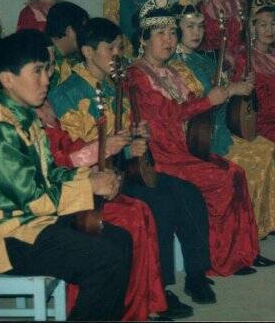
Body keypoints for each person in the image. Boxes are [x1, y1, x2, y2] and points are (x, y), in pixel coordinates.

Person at [0, 29, 130, 321]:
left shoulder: (22, 115)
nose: (47, 80)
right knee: (106, 259)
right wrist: (89, 186)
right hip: (8, 238)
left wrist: (90, 179)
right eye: (38, 71)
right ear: (7, 79)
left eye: (47, 70)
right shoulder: (1, 131)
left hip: (34, 224)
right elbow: (33, 200)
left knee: (119, 240)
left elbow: (50, 173)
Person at [46, 18, 179, 321]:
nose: (117, 54)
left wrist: (134, 140)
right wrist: (116, 147)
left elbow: (121, 144)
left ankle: (145, 301)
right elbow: (72, 154)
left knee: (154, 203)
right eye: (110, 48)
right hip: (84, 188)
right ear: (88, 52)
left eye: (121, 47)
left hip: (116, 176)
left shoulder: (110, 86)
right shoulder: (67, 94)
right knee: (141, 211)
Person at [127, 5, 264, 278]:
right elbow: (166, 115)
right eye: (159, 33)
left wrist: (220, 94)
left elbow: (190, 103)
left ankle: (241, 254)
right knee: (221, 180)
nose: (168, 39)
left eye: (171, 33)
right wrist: (210, 99)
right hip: (161, 155)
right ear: (143, 39)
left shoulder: (170, 72)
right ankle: (218, 258)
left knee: (236, 172)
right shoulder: (137, 75)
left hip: (185, 148)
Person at [169, 0, 275, 239]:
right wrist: (231, 90)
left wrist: (239, 87)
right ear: (177, 30)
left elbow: (224, 90)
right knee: (255, 162)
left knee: (271, 150)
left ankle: (266, 220)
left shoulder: (203, 59)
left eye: (200, 26)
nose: (197, 32)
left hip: (223, 128)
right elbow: (197, 104)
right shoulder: (175, 66)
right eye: (189, 26)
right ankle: (250, 229)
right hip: (201, 138)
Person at [44, 1, 89, 88]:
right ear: (69, 31)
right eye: (82, 30)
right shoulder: (47, 61)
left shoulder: (73, 59)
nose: (85, 36)